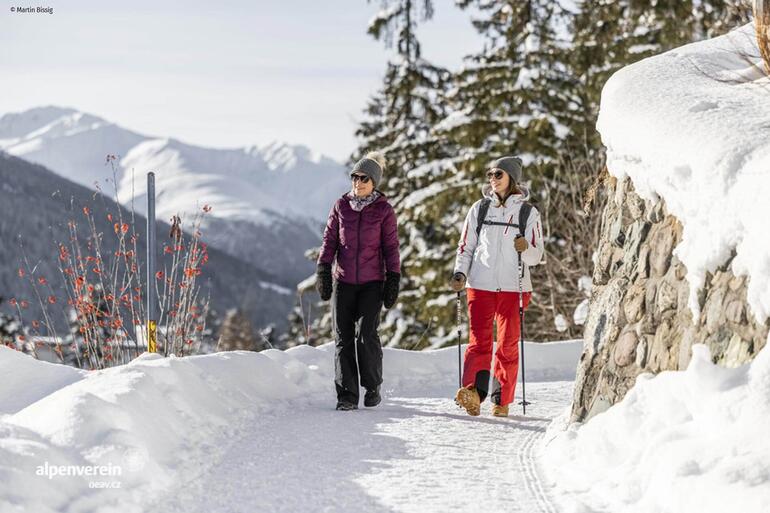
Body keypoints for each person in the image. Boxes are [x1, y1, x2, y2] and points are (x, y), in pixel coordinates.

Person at [449, 156, 544, 417]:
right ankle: (473, 394)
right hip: (480, 285)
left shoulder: (527, 213)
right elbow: (465, 246)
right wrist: (460, 272)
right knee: (479, 342)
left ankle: (501, 400)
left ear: (511, 178)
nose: (492, 178)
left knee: (507, 345)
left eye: (498, 174)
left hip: (515, 287)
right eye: (490, 174)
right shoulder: (479, 209)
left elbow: (537, 257)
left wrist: (526, 249)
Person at [316, 152, 401, 411]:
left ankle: (372, 385)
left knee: (366, 335)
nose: (358, 182)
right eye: (355, 177)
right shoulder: (341, 206)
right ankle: (347, 396)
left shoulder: (384, 210)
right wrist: (323, 269)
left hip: (371, 283)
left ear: (374, 181)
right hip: (343, 281)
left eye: (364, 178)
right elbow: (330, 240)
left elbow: (391, 247)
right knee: (343, 339)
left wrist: (393, 279)